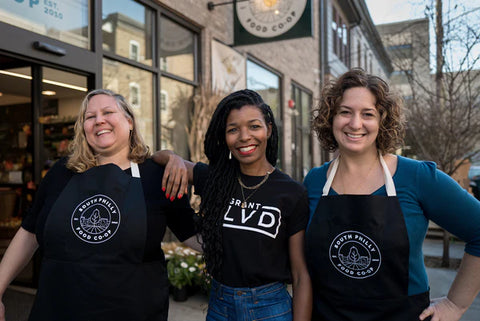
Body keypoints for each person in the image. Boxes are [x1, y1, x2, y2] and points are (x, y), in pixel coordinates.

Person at [0, 89, 200, 321]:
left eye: (107, 112)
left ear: (129, 121)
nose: (99, 120)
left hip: (131, 313)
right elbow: (29, 233)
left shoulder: (156, 176)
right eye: (90, 116)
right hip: (58, 309)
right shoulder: (62, 172)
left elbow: (193, 235)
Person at [303, 68, 480, 321]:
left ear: (382, 121)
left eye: (368, 114)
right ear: (330, 119)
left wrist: (455, 304)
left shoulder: (416, 177)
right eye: (345, 112)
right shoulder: (315, 181)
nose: (355, 123)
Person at [154, 89, 312, 320]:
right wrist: (174, 159)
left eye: (254, 126)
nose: (244, 136)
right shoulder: (214, 179)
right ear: (224, 136)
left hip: (270, 308)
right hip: (220, 306)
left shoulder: (291, 192)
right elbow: (157, 157)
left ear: (268, 128)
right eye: (233, 129)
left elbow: (300, 274)